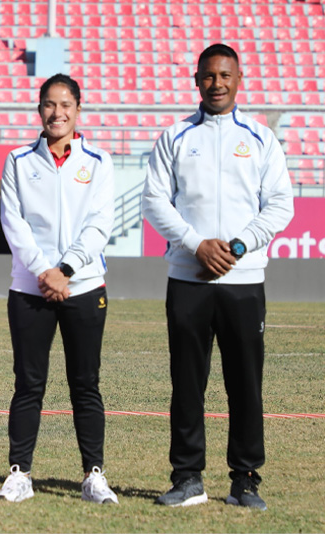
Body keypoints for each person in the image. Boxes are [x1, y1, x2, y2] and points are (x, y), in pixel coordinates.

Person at [142, 44, 294, 510]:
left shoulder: (261, 138)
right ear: (196, 80)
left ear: (239, 79)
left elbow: (281, 205)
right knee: (187, 383)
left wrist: (239, 246)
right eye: (209, 76)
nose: (217, 84)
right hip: (189, 278)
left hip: (243, 280)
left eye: (225, 75)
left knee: (245, 383)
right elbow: (154, 201)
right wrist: (197, 245)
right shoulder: (175, 136)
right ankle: (187, 477)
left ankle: (245, 480)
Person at [0, 73, 118, 504]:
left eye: (65, 104)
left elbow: (100, 225)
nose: (57, 112)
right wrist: (43, 271)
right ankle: (19, 473)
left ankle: (94, 475)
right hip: (30, 289)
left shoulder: (99, 161)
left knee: (86, 383)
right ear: (39, 110)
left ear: (78, 109)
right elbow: (13, 222)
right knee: (29, 383)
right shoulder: (17, 160)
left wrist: (65, 270)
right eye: (49, 104)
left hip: (83, 286)